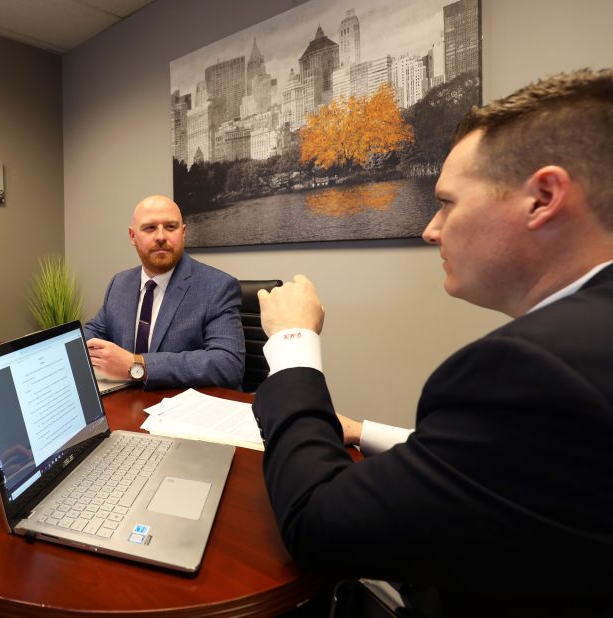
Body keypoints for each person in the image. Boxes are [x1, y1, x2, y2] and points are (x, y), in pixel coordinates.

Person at [252, 68, 613, 616]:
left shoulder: (532, 367)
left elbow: (318, 525)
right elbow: (508, 465)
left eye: (446, 202)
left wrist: (292, 341)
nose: (430, 229)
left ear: (542, 198)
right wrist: (363, 431)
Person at [83, 195, 244, 389]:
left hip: (184, 409)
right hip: (126, 403)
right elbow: (94, 333)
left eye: (170, 227)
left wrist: (137, 365)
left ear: (183, 232)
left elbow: (228, 365)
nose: (160, 236)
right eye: (150, 228)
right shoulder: (120, 283)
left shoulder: (218, 287)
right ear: (132, 236)